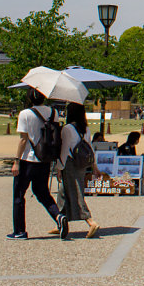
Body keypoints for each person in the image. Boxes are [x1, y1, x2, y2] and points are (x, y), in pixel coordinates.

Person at [8, 88, 67, 240]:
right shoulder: (53, 112)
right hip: (45, 158)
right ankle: (58, 216)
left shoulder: (25, 114)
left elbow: (23, 139)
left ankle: (19, 230)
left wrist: (16, 160)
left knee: (19, 195)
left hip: (28, 159)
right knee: (42, 193)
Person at [50, 102, 102, 239]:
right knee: (63, 192)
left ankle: (90, 221)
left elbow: (64, 150)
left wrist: (59, 168)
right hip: (82, 164)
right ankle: (59, 221)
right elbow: (90, 147)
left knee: (75, 192)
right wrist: (94, 166)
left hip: (70, 163)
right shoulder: (85, 128)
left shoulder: (67, 128)